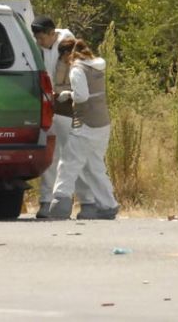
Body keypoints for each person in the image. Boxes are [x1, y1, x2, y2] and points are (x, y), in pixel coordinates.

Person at [30, 16, 96, 219]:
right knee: (52, 156)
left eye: (42, 38)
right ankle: (48, 201)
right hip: (49, 107)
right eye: (37, 39)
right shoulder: (40, 48)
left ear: (52, 34)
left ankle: (88, 202)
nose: (40, 42)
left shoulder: (69, 47)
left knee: (74, 156)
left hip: (68, 107)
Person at [47, 38, 120, 220]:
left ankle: (60, 205)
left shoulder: (77, 69)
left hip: (85, 123)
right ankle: (108, 205)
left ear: (67, 55)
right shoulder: (97, 66)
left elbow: (81, 97)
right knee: (95, 166)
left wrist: (68, 94)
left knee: (69, 163)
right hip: (102, 122)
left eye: (63, 58)